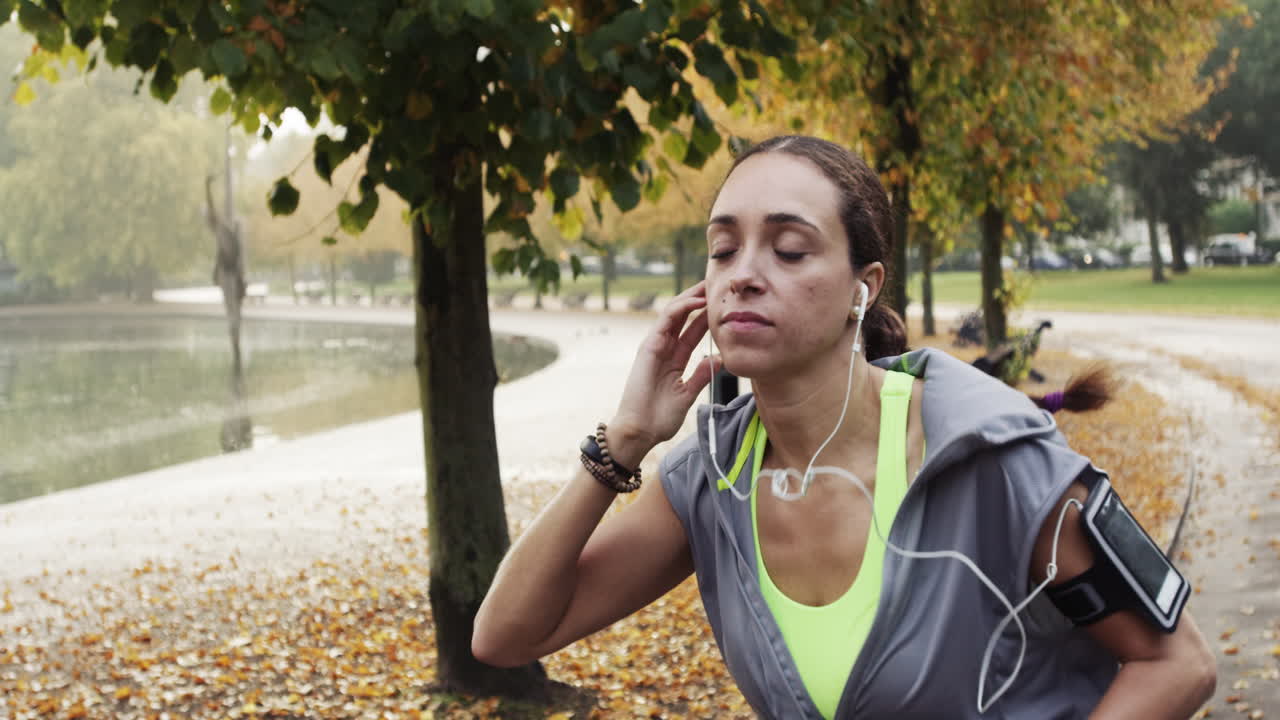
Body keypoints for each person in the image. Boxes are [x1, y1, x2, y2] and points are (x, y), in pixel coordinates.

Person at [472, 135, 1216, 718]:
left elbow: (1177, 663)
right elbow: (506, 636)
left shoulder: (990, 455)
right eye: (723, 249)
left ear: (864, 288)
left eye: (789, 249)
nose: (743, 274)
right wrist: (625, 443)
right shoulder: (709, 482)